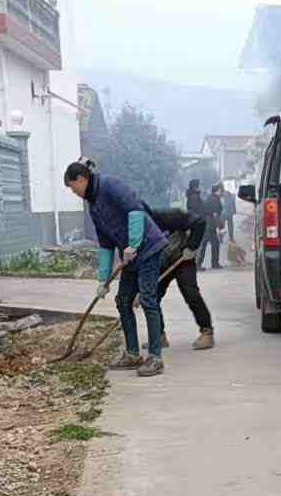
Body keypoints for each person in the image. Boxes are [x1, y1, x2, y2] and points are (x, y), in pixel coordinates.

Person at [67, 159, 169, 378]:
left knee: (148, 299)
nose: (75, 193)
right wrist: (103, 280)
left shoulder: (109, 185)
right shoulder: (94, 206)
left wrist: (133, 243)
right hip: (130, 255)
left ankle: (155, 357)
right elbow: (105, 244)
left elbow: (135, 210)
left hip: (148, 247)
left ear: (81, 179)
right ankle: (132, 354)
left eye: (74, 188)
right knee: (123, 301)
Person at [146, 204, 216, 350]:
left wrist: (191, 246)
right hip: (161, 263)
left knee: (191, 293)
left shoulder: (167, 216)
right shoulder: (136, 233)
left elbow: (200, 222)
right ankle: (159, 335)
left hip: (183, 259)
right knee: (151, 297)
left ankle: (207, 332)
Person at [202, 185, 224, 269]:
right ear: (217, 190)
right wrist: (219, 227)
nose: (222, 192)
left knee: (211, 244)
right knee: (210, 244)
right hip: (210, 226)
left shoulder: (211, 197)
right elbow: (215, 214)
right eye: (221, 191)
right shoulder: (214, 199)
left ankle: (213, 263)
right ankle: (213, 264)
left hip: (207, 225)